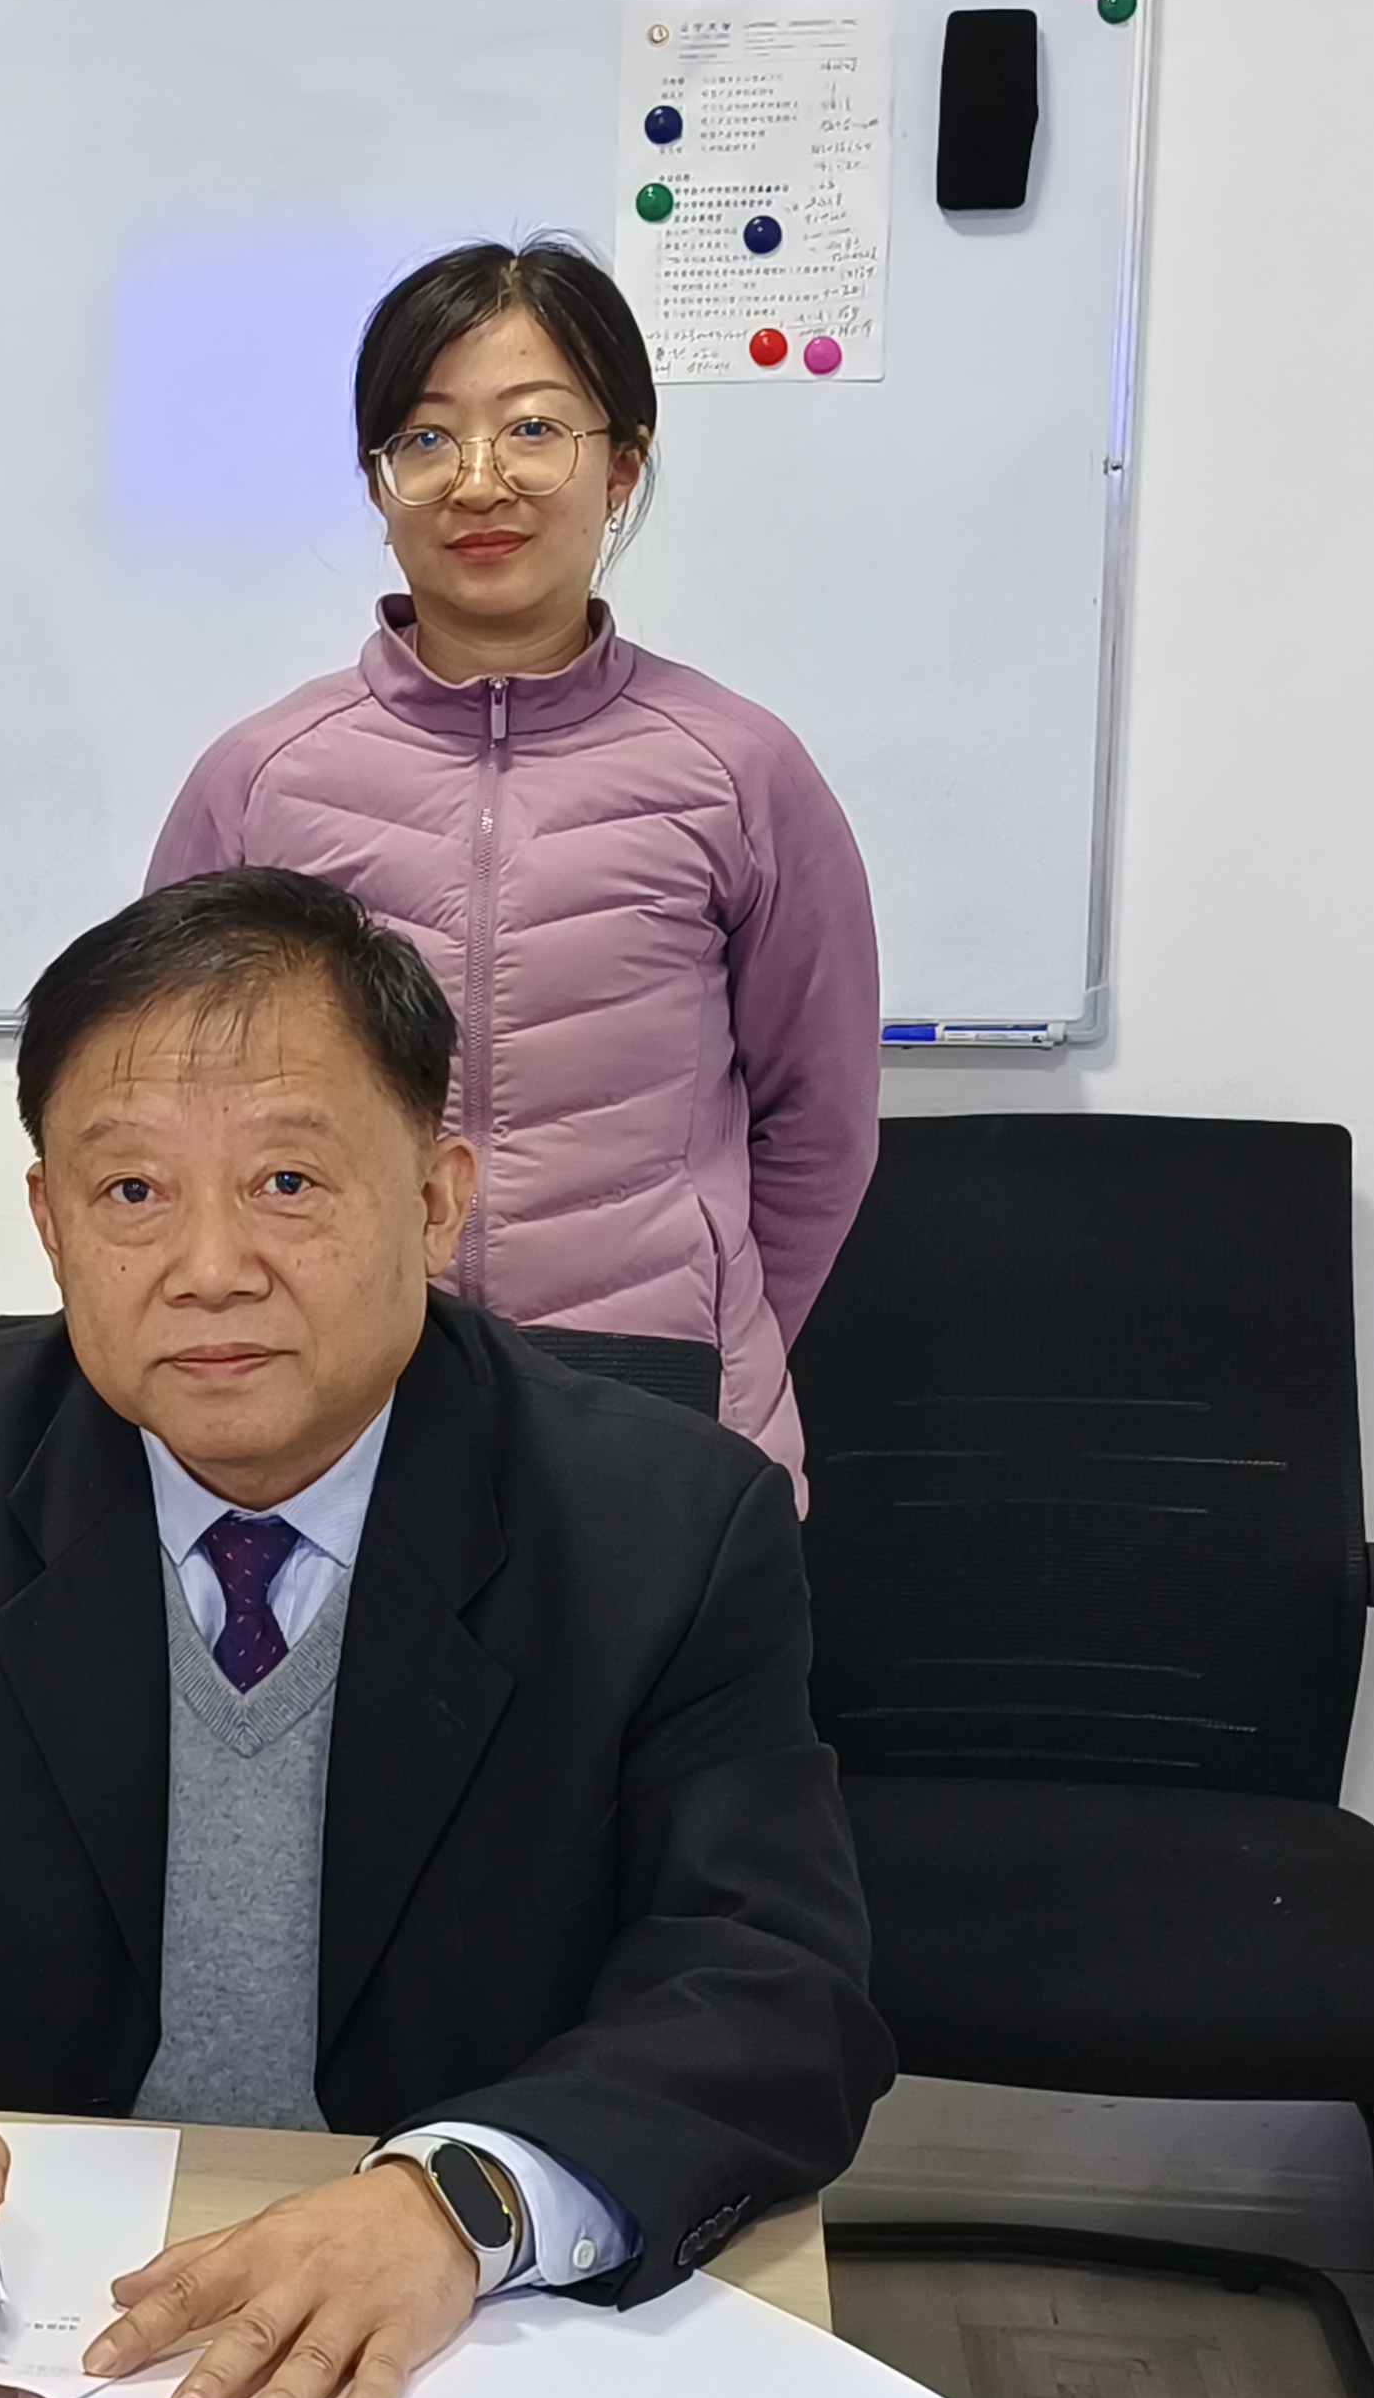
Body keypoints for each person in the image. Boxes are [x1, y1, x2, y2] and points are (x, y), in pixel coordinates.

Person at [0, 867, 889, 2398]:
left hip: (464, 2358)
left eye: (289, 1181)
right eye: (131, 1193)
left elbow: (772, 1985)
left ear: (437, 1199)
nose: (208, 1267)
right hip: (44, 2324)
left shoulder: (666, 1526)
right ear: (49, 1223)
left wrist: (462, 2199)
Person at [145, 236, 880, 1485]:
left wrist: (714, 1335)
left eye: (533, 430)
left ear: (622, 465)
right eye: (425, 441)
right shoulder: (262, 781)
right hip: (342, 1403)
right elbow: (168, 1107)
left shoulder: (739, 771)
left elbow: (817, 1125)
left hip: (663, 1404)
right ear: (379, 489)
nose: (478, 482)